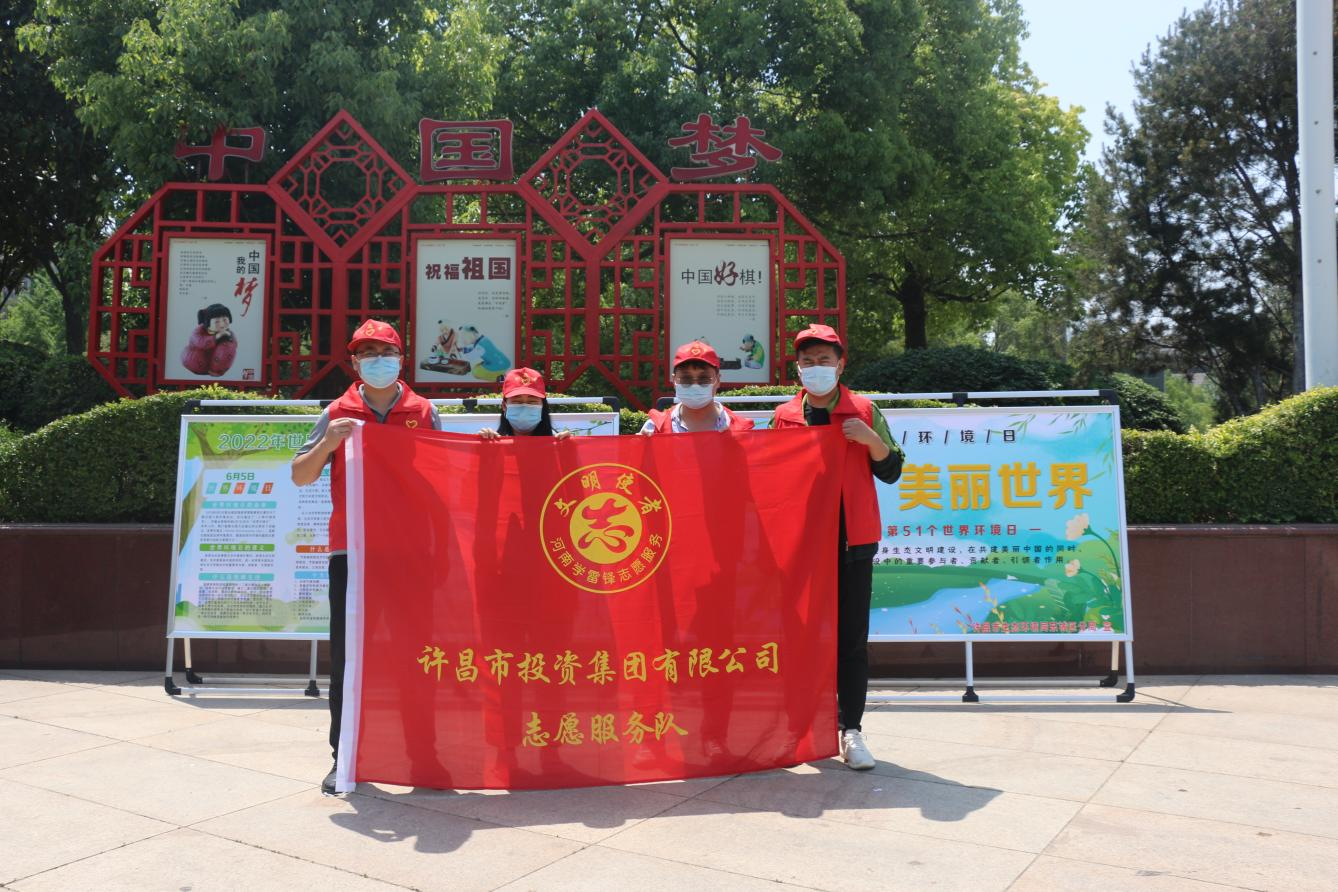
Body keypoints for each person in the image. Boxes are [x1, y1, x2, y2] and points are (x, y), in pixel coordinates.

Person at [290, 319, 441, 795]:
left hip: (410, 553)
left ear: (401, 359)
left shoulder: (424, 411)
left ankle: (424, 757)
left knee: (417, 656)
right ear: (354, 363)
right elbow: (300, 474)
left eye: (386, 352)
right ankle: (344, 759)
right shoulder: (337, 411)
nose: (378, 361)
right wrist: (329, 441)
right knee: (348, 658)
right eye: (367, 353)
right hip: (351, 553)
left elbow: (445, 473)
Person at [770, 323, 903, 770]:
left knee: (850, 641)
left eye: (824, 360)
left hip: (853, 543)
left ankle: (851, 730)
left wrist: (871, 441)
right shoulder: (785, 415)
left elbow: (892, 471)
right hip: (801, 546)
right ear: (797, 368)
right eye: (807, 361)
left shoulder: (863, 410)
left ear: (841, 365)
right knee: (800, 637)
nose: (816, 367)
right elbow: (767, 476)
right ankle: (801, 725)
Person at [639, 341, 755, 434]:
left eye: (704, 378)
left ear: (718, 380)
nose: (695, 385)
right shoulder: (656, 428)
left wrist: (736, 444)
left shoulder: (741, 431)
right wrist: (641, 447)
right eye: (686, 378)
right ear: (674, 381)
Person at [479, 367, 573, 440]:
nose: (524, 407)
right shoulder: (493, 443)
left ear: (542, 406)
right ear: (504, 406)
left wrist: (571, 448)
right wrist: (483, 445)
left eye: (532, 402)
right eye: (517, 401)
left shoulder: (558, 444)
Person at [180, 303, 237, 376]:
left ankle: (217, 370)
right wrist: (216, 337)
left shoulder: (228, 333)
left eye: (225, 320)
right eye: (217, 321)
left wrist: (229, 339)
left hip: (215, 362)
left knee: (228, 347)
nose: (222, 324)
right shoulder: (198, 332)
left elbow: (234, 346)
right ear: (208, 323)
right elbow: (199, 342)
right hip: (198, 360)